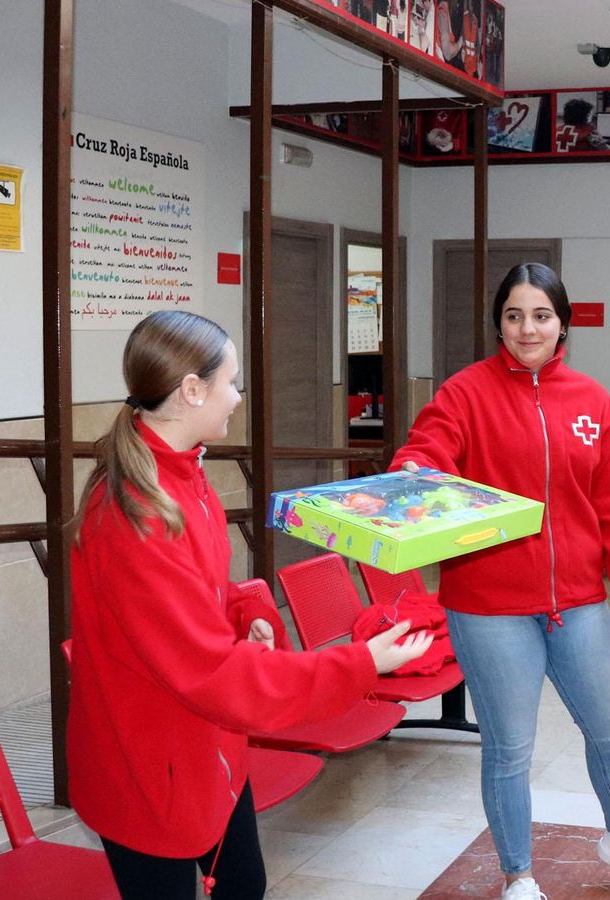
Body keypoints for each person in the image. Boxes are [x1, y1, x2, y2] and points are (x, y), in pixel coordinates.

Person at [67, 310, 434, 900]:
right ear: (192, 390)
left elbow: (201, 593)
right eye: (231, 382)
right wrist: (361, 665)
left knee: (245, 883)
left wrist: (245, 613)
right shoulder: (133, 517)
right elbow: (210, 669)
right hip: (148, 766)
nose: (238, 397)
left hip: (205, 747)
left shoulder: (187, 477)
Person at [394, 264, 610, 900]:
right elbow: (428, 449)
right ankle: (518, 875)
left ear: (563, 324)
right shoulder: (464, 394)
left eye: (540, 315)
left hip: (578, 602)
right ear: (498, 323)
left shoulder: (590, 400)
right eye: (512, 315)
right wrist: (411, 474)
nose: (526, 328)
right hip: (488, 606)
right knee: (509, 748)